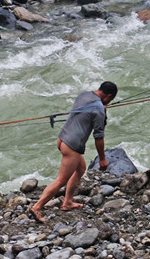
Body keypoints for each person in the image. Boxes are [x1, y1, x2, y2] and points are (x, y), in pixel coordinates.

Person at [29, 81, 118, 222]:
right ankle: (37, 207)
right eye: (110, 99)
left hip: (62, 138)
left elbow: (90, 110)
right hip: (72, 145)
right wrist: (102, 159)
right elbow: (99, 137)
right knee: (61, 180)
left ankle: (68, 202)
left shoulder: (85, 95)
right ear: (109, 96)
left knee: (81, 169)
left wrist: (102, 107)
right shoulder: (99, 109)